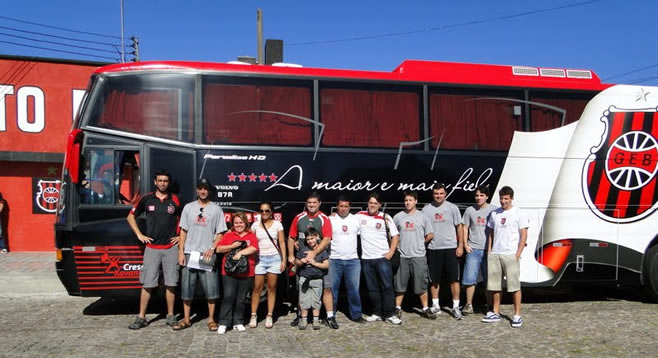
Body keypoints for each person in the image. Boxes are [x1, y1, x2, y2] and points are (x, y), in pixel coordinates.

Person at [127, 170, 181, 330]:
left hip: (171, 248)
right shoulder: (146, 199)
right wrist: (139, 234)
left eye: (165, 181)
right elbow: (130, 216)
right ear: (155, 182)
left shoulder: (176, 200)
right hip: (151, 248)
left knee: (171, 283)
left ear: (168, 183)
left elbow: (187, 220)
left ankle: (170, 316)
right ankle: (141, 317)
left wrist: (180, 237)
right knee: (148, 283)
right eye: (160, 180)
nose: (163, 183)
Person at [173, 178, 227, 331]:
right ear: (197, 190)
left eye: (205, 188)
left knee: (211, 289)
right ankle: (186, 319)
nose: (203, 191)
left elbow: (220, 232)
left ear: (209, 190)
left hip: (206, 254)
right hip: (190, 253)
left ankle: (211, 319)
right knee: (187, 288)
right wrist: (181, 252)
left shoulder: (216, 209)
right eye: (200, 188)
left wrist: (213, 248)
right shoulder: (188, 208)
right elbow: (183, 230)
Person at [287, 192, 337, 329]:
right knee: (301, 289)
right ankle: (300, 316)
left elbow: (327, 238)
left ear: (319, 203)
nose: (312, 205)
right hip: (303, 261)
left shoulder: (324, 219)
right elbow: (291, 237)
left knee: (326, 288)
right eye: (309, 202)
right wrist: (291, 255)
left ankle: (330, 316)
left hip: (321, 259)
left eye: (314, 202)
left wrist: (314, 253)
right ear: (306, 203)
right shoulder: (299, 218)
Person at [482, 186, 529, 328]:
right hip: (496, 253)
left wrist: (518, 254)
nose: (503, 201)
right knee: (495, 286)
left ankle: (517, 315)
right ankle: (495, 312)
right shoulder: (495, 214)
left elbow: (523, 235)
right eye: (501, 198)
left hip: (510, 254)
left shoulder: (518, 213)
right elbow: (490, 233)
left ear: (511, 198)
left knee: (514, 286)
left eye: (506, 199)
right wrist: (490, 251)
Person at [357, 192, 402, 325]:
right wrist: (334, 215)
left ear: (380, 205)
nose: (372, 205)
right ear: (367, 203)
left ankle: (390, 314)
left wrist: (391, 252)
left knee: (387, 286)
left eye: (375, 203)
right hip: (366, 259)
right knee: (372, 288)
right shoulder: (360, 216)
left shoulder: (385, 217)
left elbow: (395, 236)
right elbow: (345, 219)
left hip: (382, 258)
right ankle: (376, 312)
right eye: (370, 203)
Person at [422, 183, 464, 320]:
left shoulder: (452, 208)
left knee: (454, 279)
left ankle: (456, 307)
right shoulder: (426, 210)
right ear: (432, 194)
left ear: (445, 194)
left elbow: (459, 227)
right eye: (436, 193)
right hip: (433, 248)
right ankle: (436, 305)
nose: (438, 196)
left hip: (451, 247)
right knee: (434, 279)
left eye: (441, 193)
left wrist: (460, 245)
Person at [393, 191, 435, 319]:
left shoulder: (423, 217)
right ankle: (397, 308)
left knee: (421, 283)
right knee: (400, 283)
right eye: (406, 200)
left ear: (415, 201)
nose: (408, 203)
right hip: (402, 255)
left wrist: (421, 242)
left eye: (410, 200)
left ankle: (425, 308)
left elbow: (430, 234)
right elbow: (393, 235)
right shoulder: (398, 217)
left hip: (418, 255)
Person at [215, 212, 259, 334]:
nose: (239, 225)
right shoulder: (229, 235)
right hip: (229, 271)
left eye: (241, 222)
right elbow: (219, 249)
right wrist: (233, 246)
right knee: (228, 296)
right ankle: (224, 322)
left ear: (245, 223)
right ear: (233, 224)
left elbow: (254, 248)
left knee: (241, 298)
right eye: (236, 223)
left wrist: (240, 253)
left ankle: (238, 321)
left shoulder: (251, 235)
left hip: (246, 272)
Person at [249, 201, 286, 329]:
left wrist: (284, 260)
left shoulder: (277, 224)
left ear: (271, 212)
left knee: (272, 287)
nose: (264, 213)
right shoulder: (255, 225)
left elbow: (282, 243)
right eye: (262, 211)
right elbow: (252, 244)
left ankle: (269, 315)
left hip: (274, 258)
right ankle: (253, 315)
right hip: (260, 259)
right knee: (257, 288)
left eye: (267, 211)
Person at [328, 196, 365, 323]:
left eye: (346, 206)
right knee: (332, 290)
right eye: (341, 206)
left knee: (354, 289)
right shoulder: (330, 219)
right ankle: (330, 315)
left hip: (352, 260)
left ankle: (356, 315)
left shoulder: (356, 219)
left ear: (350, 207)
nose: (343, 209)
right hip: (334, 259)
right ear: (337, 207)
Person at [461, 185, 496, 314]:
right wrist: (465, 244)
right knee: (470, 279)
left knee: (489, 280)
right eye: (477, 195)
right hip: (473, 249)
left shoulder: (494, 210)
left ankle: (489, 305)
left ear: (487, 196)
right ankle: (469, 304)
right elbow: (465, 227)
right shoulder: (470, 210)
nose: (479, 198)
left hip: (489, 250)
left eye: (481, 195)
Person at [294, 227, 330, 330]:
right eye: (308, 239)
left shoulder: (321, 250)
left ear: (317, 237)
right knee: (303, 300)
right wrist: (302, 261)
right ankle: (304, 319)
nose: (310, 241)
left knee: (316, 301)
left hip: (317, 279)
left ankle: (315, 320)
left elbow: (326, 265)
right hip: (304, 278)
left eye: (312, 238)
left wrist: (315, 263)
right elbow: (297, 262)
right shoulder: (303, 249)